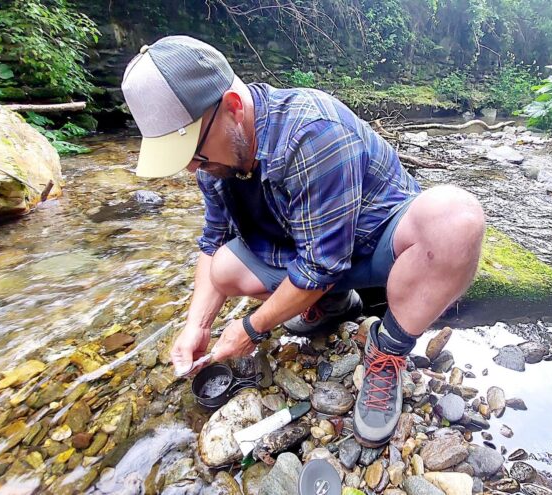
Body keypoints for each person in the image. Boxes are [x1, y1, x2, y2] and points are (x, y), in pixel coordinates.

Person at [121, 35, 485, 447]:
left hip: (376, 243)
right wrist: (195, 326)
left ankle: (387, 351)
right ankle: (330, 305)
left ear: (234, 110)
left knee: (458, 220)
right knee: (223, 266)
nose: (193, 170)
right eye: (183, 160)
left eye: (196, 156)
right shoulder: (216, 160)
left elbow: (322, 267)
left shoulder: (313, 132)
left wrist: (250, 329)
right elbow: (211, 242)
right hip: (311, 253)